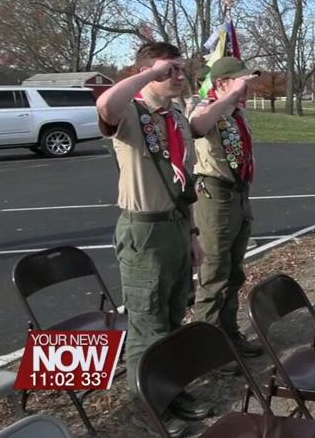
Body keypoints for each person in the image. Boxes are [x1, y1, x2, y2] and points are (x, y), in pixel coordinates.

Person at [96, 42, 210, 437]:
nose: (179, 76)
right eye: (171, 70)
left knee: (173, 316)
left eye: (181, 70)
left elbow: (185, 182)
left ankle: (170, 389)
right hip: (144, 230)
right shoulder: (132, 112)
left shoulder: (175, 115)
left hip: (176, 225)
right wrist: (148, 74)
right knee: (147, 324)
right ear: (149, 71)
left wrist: (193, 233)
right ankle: (147, 406)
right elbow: (106, 106)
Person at [189, 56, 263, 358]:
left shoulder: (237, 114)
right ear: (222, 84)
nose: (248, 89)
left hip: (239, 194)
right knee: (215, 272)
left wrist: (234, 101)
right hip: (215, 197)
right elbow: (196, 126)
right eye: (242, 82)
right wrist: (228, 97)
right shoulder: (203, 107)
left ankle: (229, 335)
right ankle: (207, 348)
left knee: (234, 272)